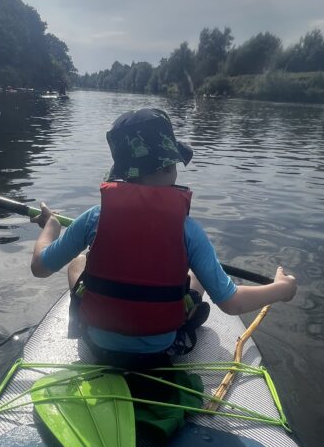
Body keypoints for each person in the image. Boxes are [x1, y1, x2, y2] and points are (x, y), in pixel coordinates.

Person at [30, 107, 297, 366]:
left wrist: (50, 226)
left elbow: (40, 267)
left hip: (97, 343)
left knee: (78, 262)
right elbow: (232, 303)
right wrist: (282, 289)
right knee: (194, 278)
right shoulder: (188, 229)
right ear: (171, 167)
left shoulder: (92, 218)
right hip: (161, 347)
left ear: (120, 172)